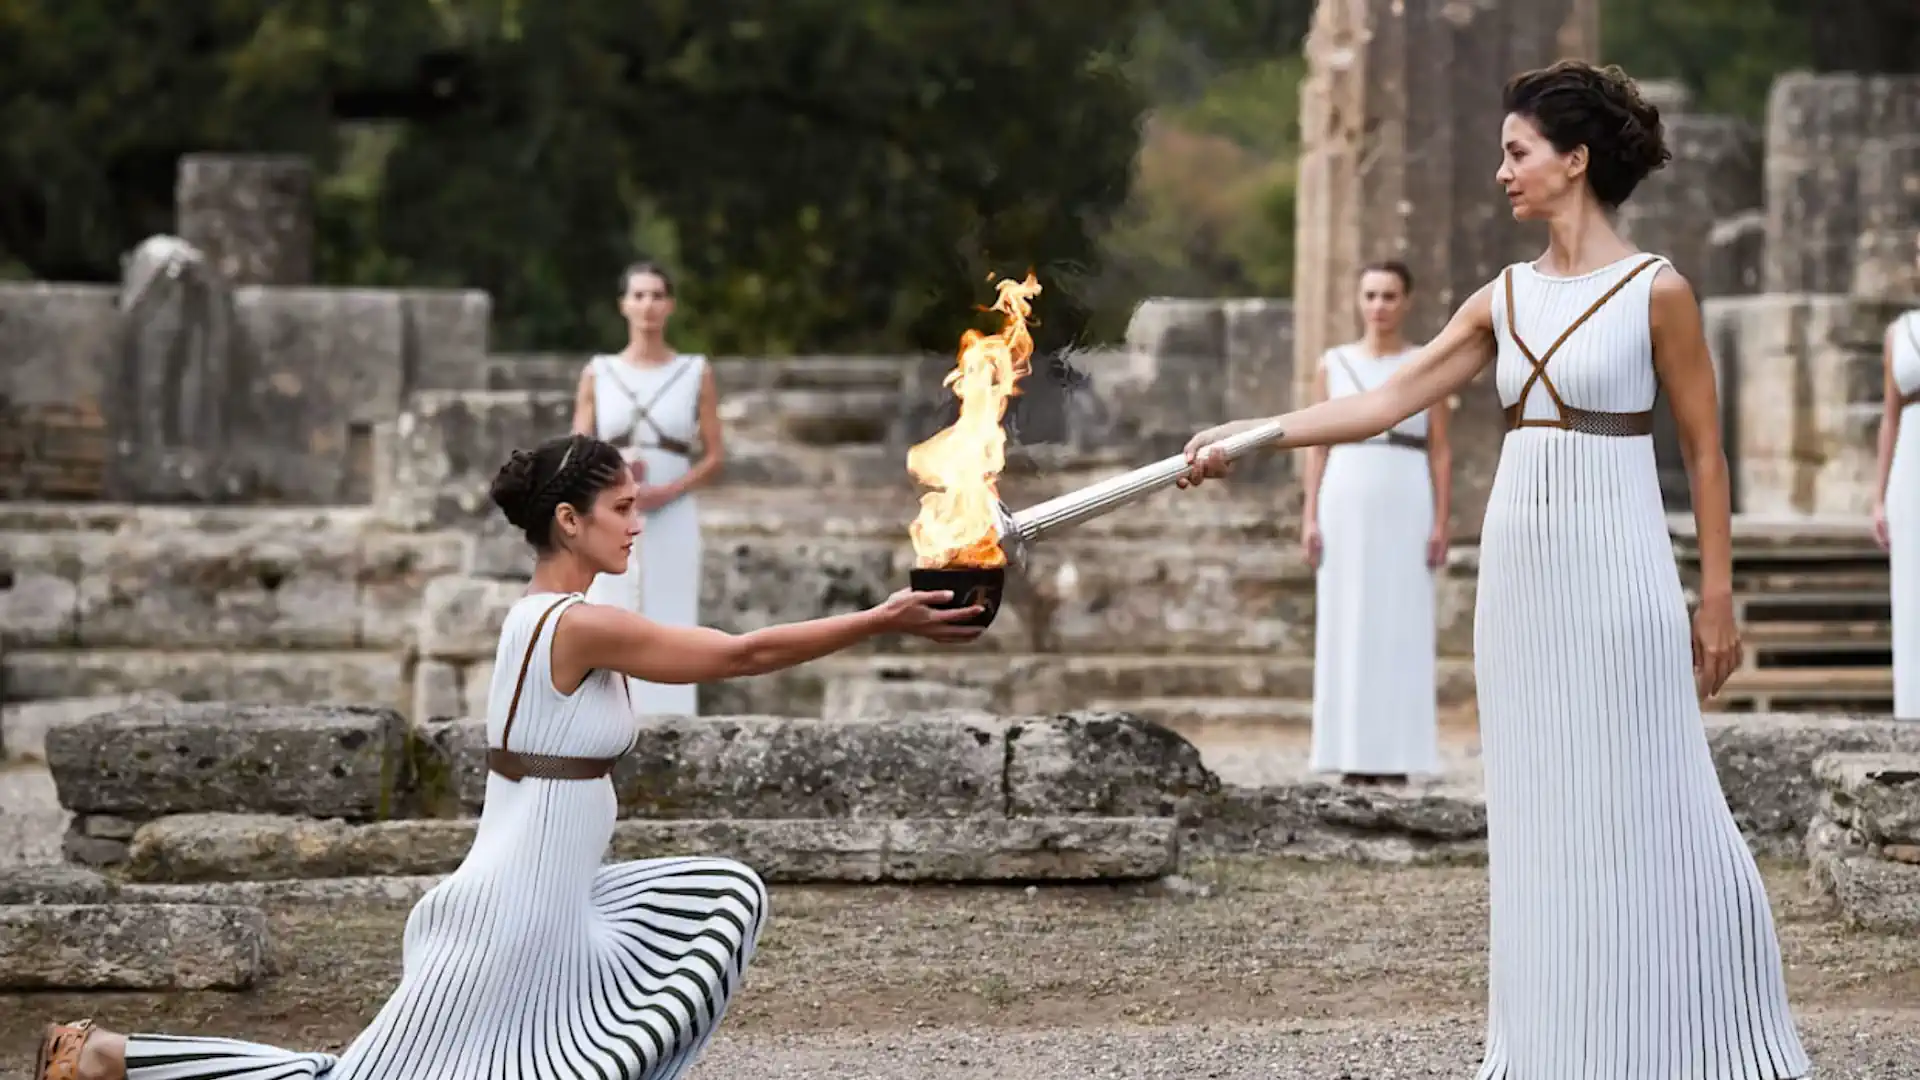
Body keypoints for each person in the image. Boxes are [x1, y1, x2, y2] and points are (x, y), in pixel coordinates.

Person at [1180, 60, 1809, 1079]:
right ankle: (1560, 1043)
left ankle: (1683, 1032)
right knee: (1539, 804)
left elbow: (1704, 452)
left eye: (1517, 153)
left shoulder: (1660, 292)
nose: (1502, 171)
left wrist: (1718, 597)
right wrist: (1255, 436)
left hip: (1621, 560)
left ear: (1575, 159)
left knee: (1652, 793)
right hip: (1523, 568)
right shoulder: (1502, 297)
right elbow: (1386, 400)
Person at [33, 432, 983, 1080]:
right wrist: (882, 618)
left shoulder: (545, 620)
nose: (635, 522)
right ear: (568, 520)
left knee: (724, 894)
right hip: (509, 921)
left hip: (546, 910)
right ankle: (110, 1057)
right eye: (621, 506)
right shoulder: (573, 625)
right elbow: (741, 655)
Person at [1301, 260, 1451, 785]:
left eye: (1389, 296)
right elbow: (1316, 443)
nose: (1379, 306)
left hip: (1406, 493)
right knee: (1348, 618)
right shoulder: (1334, 364)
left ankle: (1399, 752)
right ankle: (1348, 750)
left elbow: (1441, 450)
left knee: (1402, 620)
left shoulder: (1425, 363)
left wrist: (1440, 522)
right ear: (1358, 300)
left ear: (1406, 301)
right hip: (1347, 490)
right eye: (1371, 295)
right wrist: (1310, 516)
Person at [573, 260, 720, 716]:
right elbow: (578, 449)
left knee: (671, 614)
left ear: (670, 305)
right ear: (623, 305)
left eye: (657, 295)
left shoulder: (695, 371)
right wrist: (617, 480)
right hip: (611, 509)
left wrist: (669, 490)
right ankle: (604, 719)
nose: (648, 305)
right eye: (638, 295)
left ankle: (672, 721)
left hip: (671, 511)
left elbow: (715, 456)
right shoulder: (599, 371)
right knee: (610, 610)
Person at [1872, 254, 1920, 720]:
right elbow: (1889, 417)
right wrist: (1878, 498)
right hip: (1910, 466)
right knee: (1910, 587)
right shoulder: (1899, 331)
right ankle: (1912, 711)